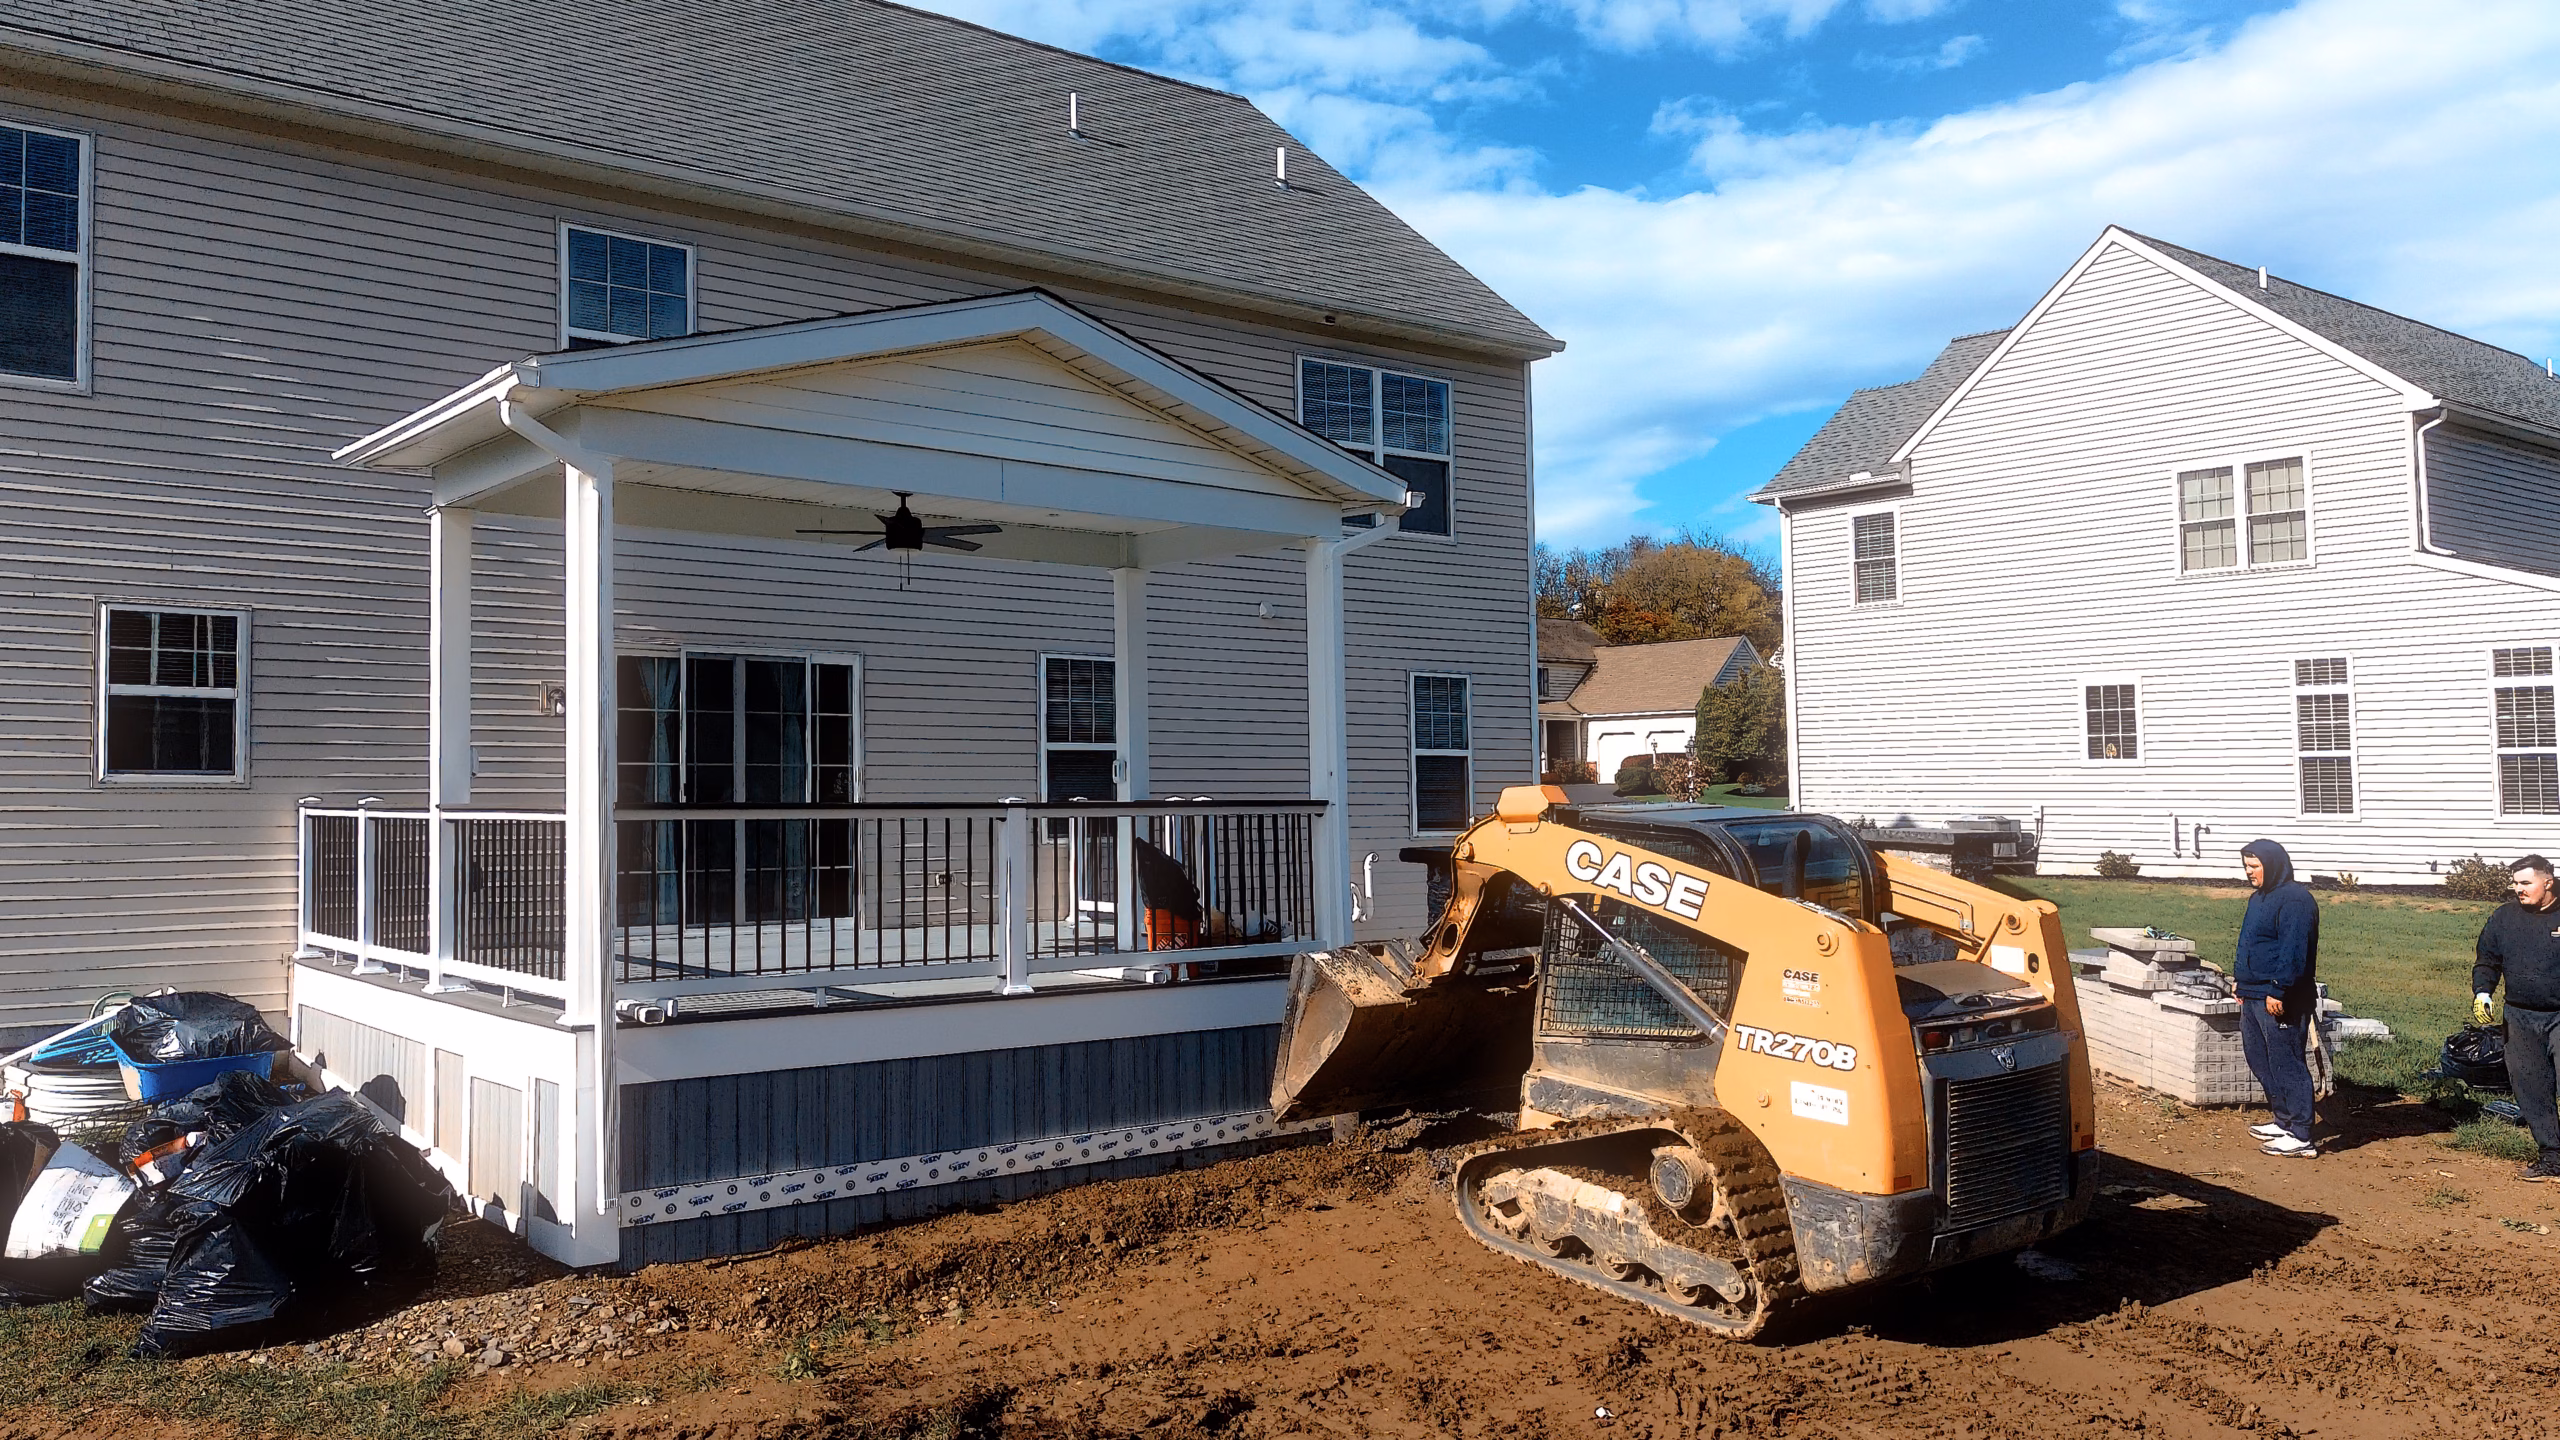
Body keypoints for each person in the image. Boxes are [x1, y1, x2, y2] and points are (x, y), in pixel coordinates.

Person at [2472, 854, 2560, 1183]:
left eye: (2526, 883)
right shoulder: (2505, 917)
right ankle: (2552, 1156)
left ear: (2547, 882)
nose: (2518, 889)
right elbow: (2487, 958)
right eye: (2515, 883)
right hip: (2520, 1017)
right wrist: (2483, 991)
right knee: (2531, 1087)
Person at [2235, 839, 2320, 1158]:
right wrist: (2239, 981)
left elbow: (2294, 950)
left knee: (2287, 1063)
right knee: (2260, 1058)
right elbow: (2251, 943)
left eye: (2254, 866)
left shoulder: (2296, 900)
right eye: (2246, 866)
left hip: (2282, 997)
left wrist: (2278, 989)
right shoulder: (2259, 898)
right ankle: (2283, 1120)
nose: (2249, 872)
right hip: (2253, 992)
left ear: (2273, 865)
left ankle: (2301, 1135)